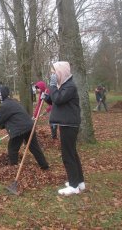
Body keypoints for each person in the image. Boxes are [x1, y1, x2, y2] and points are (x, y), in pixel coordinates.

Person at [0, 85, 49, 171]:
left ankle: (13, 168)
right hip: (29, 126)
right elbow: (7, 119)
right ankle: (44, 165)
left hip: (20, 129)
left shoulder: (4, 105)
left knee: (12, 148)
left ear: (1, 96)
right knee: (34, 147)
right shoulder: (13, 102)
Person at [47, 61, 85, 196]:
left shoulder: (70, 86)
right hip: (67, 123)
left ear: (61, 72)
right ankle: (79, 182)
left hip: (69, 124)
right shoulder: (64, 85)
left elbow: (58, 99)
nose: (52, 75)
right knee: (72, 153)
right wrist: (47, 97)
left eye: (54, 72)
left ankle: (74, 186)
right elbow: (56, 100)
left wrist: (52, 86)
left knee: (67, 155)